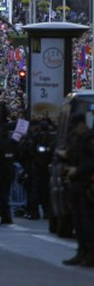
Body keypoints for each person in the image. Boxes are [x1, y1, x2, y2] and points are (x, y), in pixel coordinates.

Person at [60, 113, 94, 266]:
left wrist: (78, 170)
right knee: (78, 220)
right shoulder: (74, 138)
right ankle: (81, 252)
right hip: (75, 184)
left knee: (87, 221)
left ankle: (90, 254)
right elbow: (71, 156)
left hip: (87, 184)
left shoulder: (89, 138)